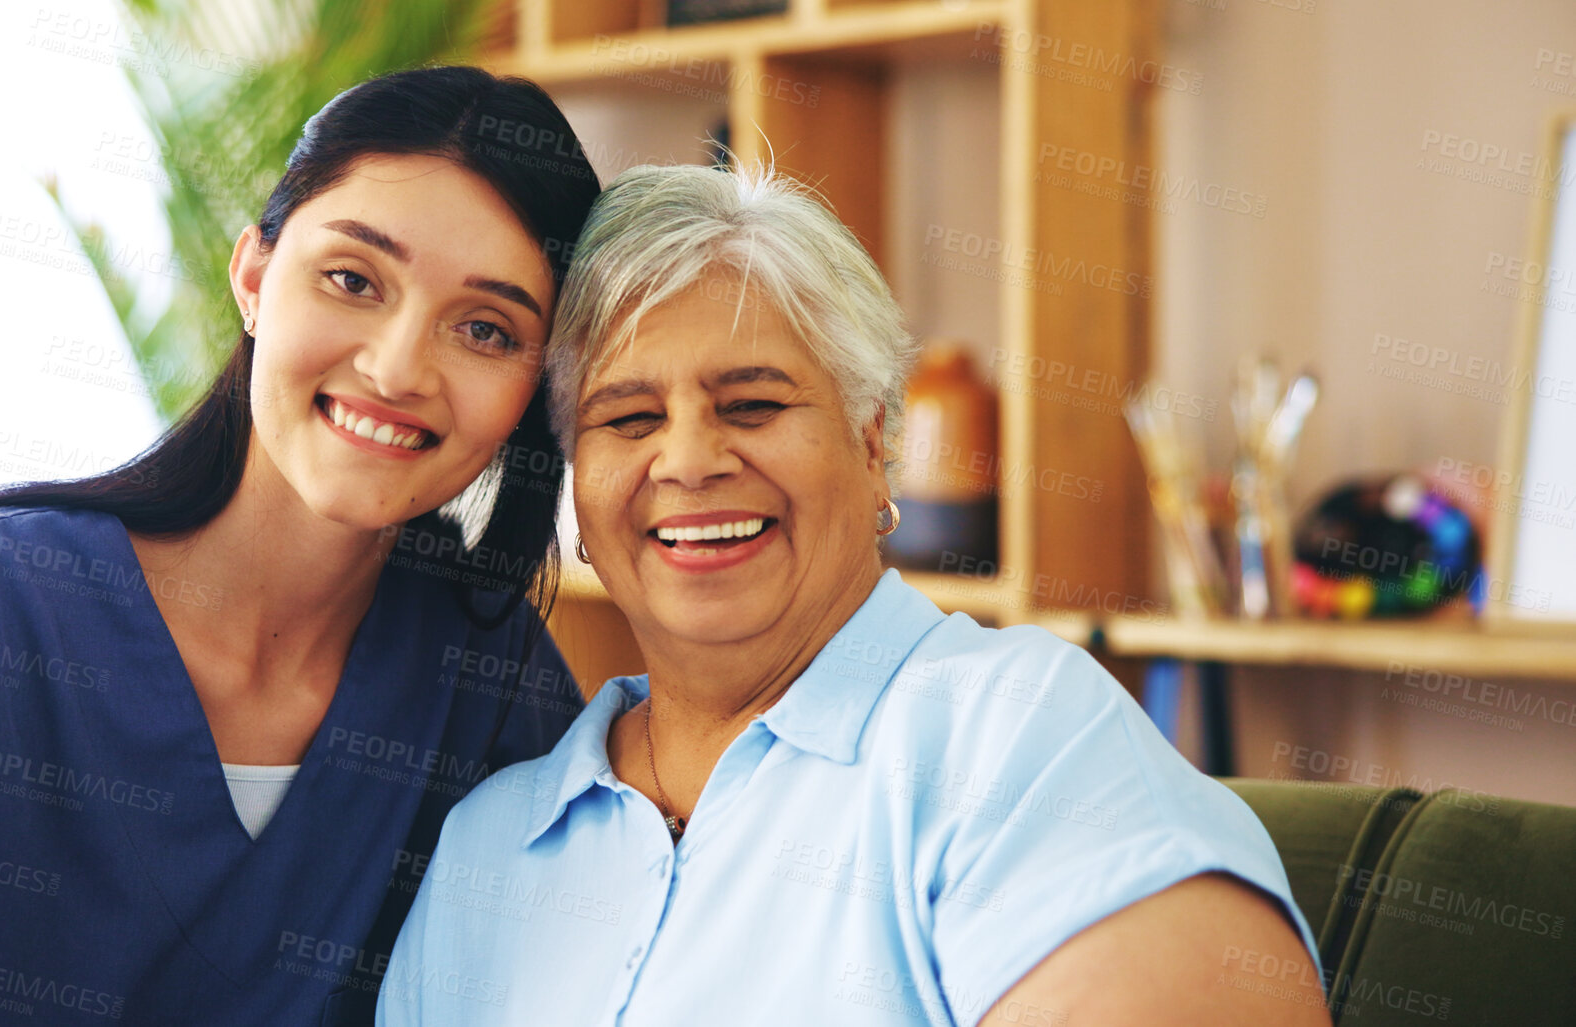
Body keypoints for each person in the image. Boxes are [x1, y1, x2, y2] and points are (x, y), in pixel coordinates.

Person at [0, 66, 600, 1027]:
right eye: (352, 279)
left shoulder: (493, 681)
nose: (397, 367)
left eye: (486, 329)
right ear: (252, 276)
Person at [378, 164, 1331, 1026]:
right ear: (576, 494)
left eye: (752, 404)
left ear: (874, 448)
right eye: (628, 418)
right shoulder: (487, 842)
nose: (691, 460)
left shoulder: (1014, 734)